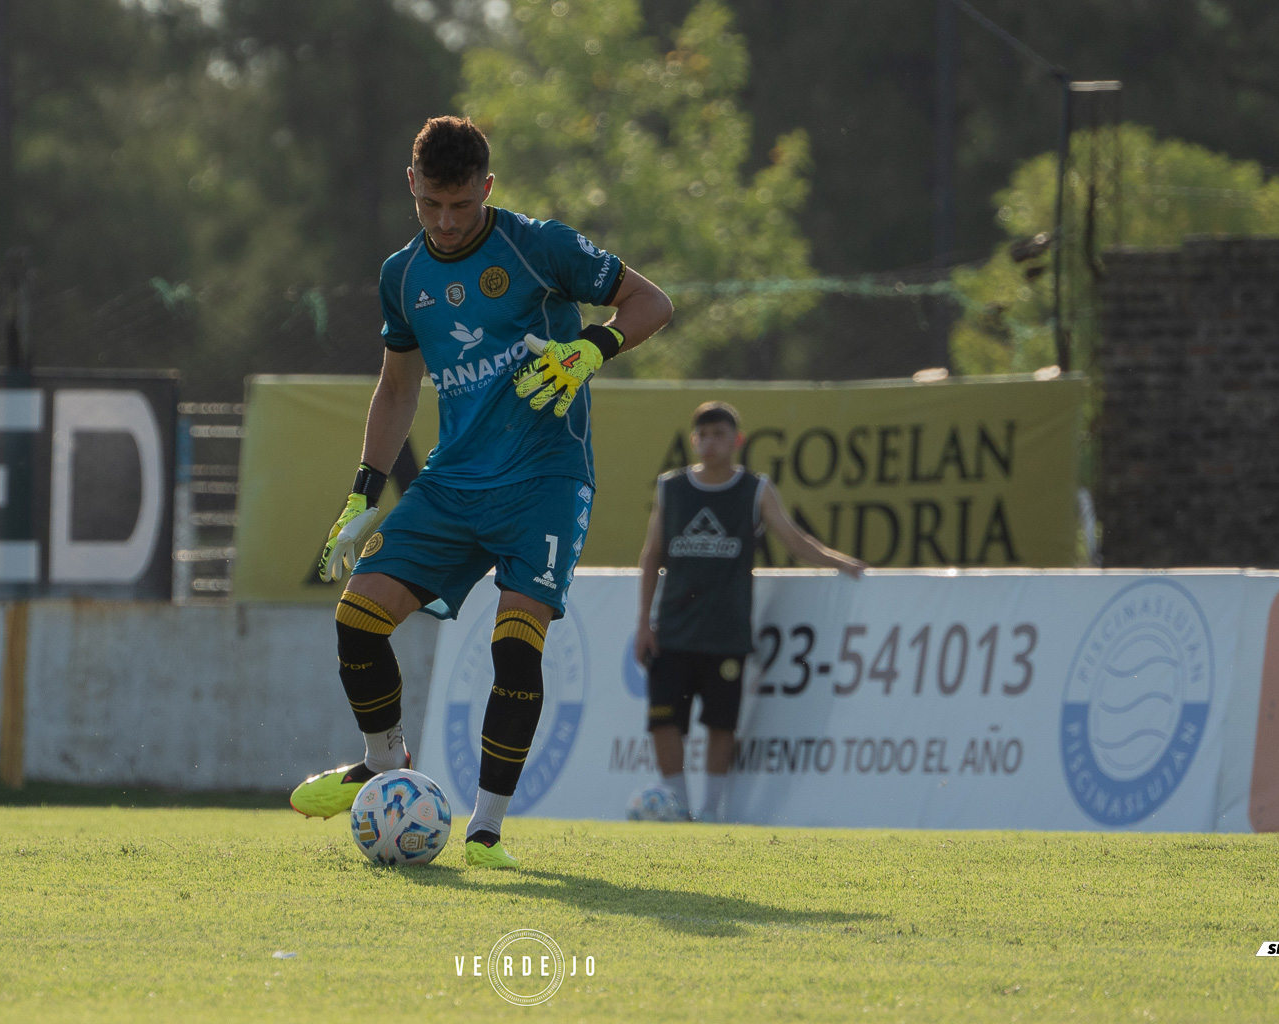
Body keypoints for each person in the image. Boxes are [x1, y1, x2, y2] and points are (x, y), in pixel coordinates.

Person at [290, 115, 672, 868]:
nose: (447, 221)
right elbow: (398, 386)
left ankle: (487, 829)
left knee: (514, 646)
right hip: (455, 481)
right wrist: (364, 490)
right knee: (358, 619)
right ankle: (382, 763)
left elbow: (651, 302)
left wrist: (591, 347)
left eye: (462, 205)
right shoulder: (403, 275)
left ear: (487, 189)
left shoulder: (539, 246)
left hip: (544, 482)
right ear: (413, 186)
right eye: (433, 204)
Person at [635, 400, 866, 822]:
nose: (710, 443)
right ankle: (677, 804)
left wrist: (840, 562)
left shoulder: (754, 490)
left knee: (721, 724)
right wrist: (643, 624)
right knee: (664, 721)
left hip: (727, 631)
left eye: (719, 434)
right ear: (693, 440)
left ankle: (709, 811)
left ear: (737, 440)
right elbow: (651, 556)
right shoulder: (672, 488)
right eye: (702, 435)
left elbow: (794, 540)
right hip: (672, 629)